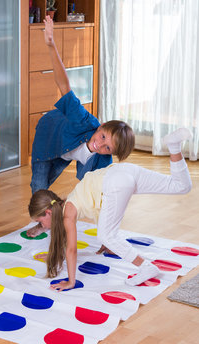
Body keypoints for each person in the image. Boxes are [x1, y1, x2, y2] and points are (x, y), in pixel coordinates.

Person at [28, 128, 192, 290]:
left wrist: (71, 281)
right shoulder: (67, 202)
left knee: (106, 235)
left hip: (115, 182)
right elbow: (101, 207)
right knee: (181, 186)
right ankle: (174, 146)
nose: (42, 226)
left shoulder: (68, 215)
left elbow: (71, 250)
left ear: (48, 212)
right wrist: (55, 254)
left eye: (40, 222)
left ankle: (146, 267)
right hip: (123, 171)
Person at [28, 16, 134, 237]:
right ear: (101, 126)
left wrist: (110, 236)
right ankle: (44, 221)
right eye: (103, 137)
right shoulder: (82, 120)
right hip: (48, 138)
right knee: (39, 193)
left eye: (108, 148)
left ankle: (55, 218)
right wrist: (50, 44)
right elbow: (64, 84)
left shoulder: (102, 159)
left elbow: (105, 197)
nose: (101, 146)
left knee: (82, 191)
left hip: (67, 153)